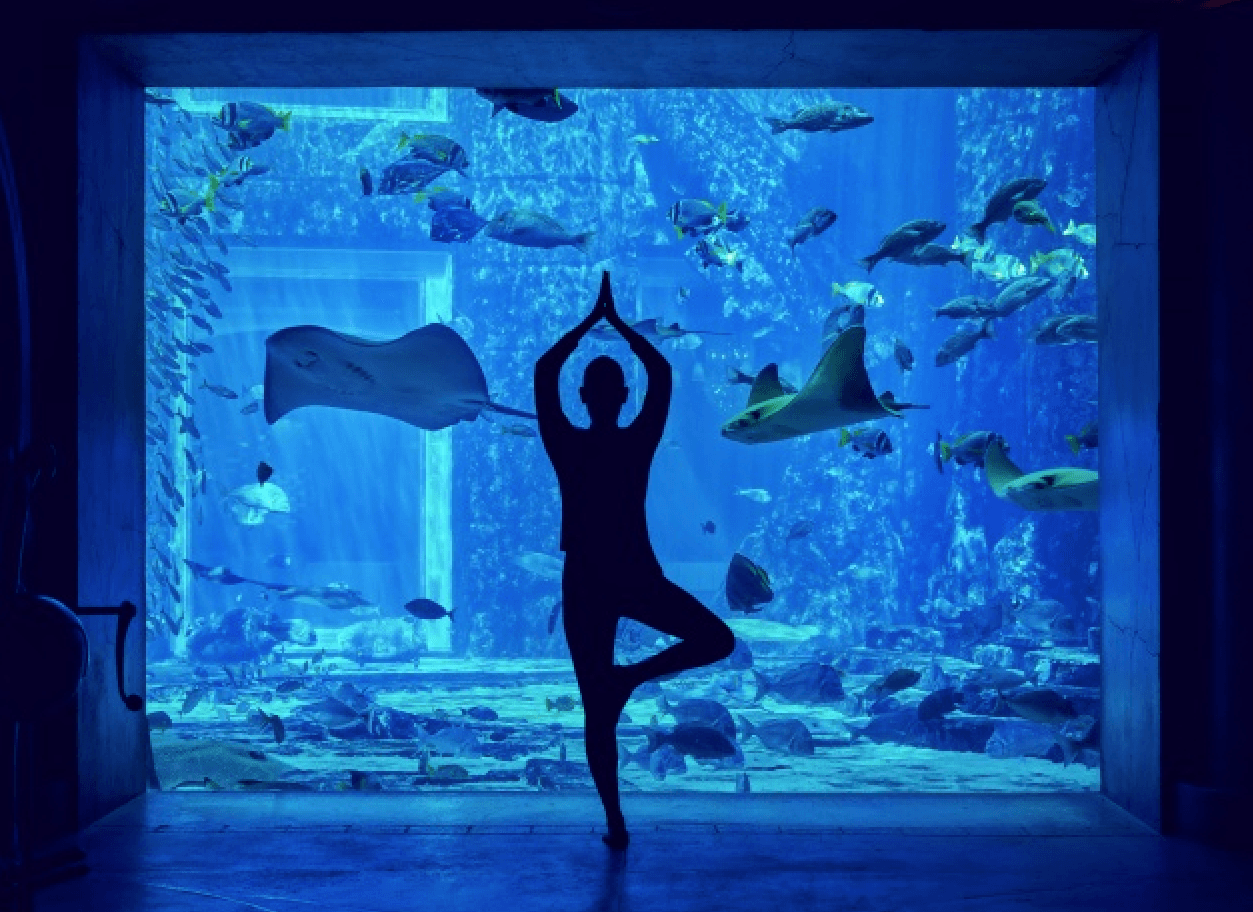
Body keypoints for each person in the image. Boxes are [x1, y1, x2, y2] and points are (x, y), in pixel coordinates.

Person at [534, 272, 735, 851]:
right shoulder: (635, 440)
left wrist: (588, 323)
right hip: (634, 571)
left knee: (599, 710)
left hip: (588, 578)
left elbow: (546, 372)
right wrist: (620, 326)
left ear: (583, 397)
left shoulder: (565, 443)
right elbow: (663, 375)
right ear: (622, 398)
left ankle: (615, 824)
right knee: (715, 638)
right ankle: (631, 679)